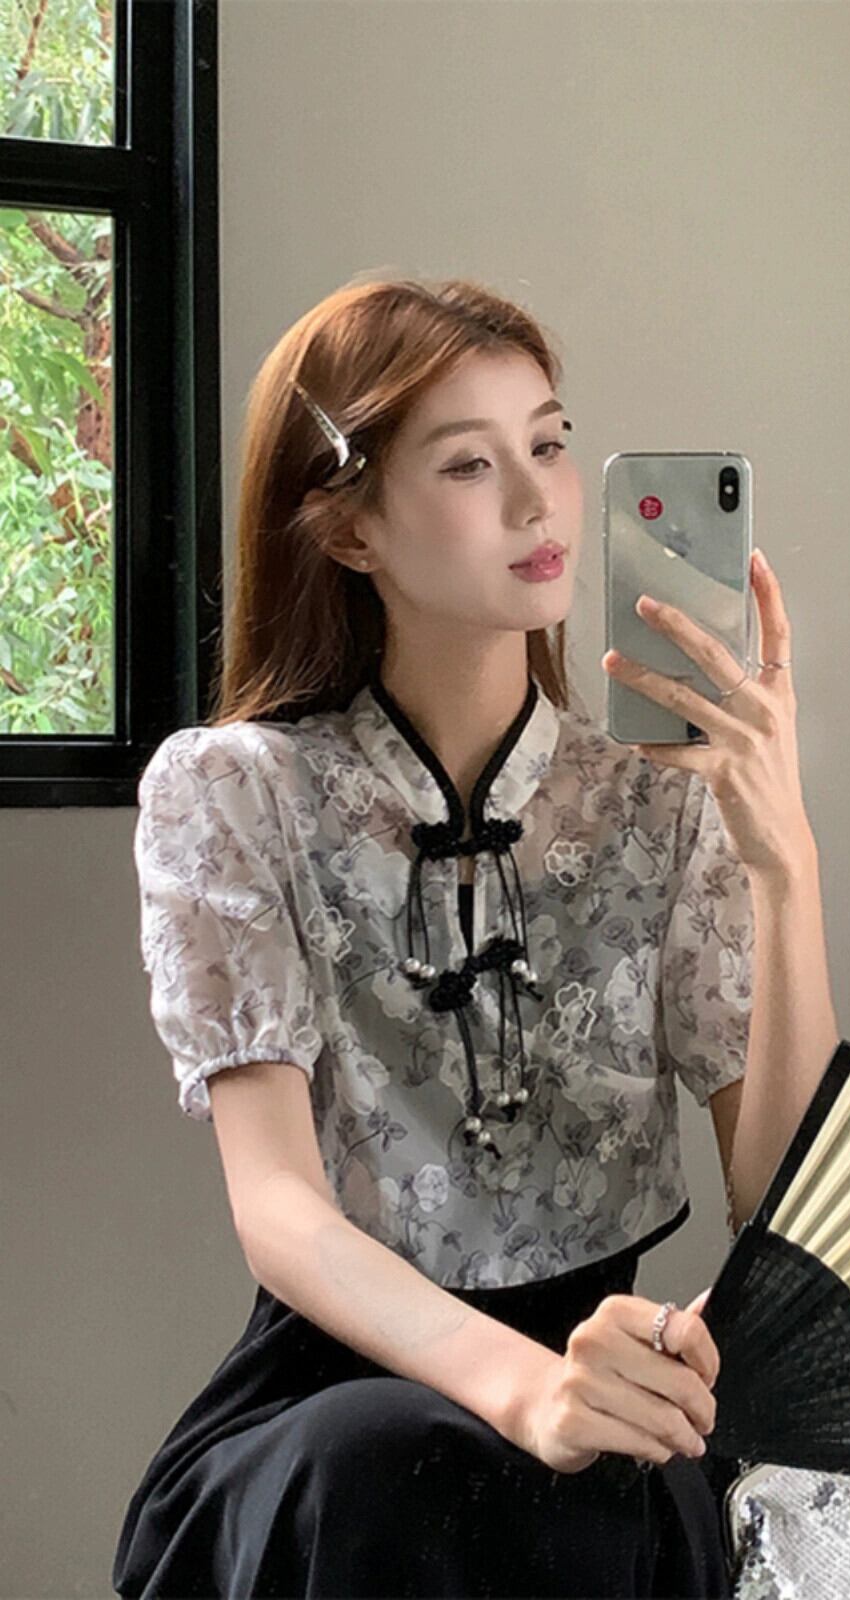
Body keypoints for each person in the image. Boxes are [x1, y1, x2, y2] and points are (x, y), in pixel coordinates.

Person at [112, 275, 809, 1598]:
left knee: (638, 1488)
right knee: (388, 1457)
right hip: (334, 1416)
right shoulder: (237, 794)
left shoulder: (664, 801)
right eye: (470, 464)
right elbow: (279, 1211)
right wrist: (524, 1388)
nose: (540, 502)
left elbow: (781, 1202)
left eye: (549, 444)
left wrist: (788, 861)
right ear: (347, 525)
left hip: (605, 1386)